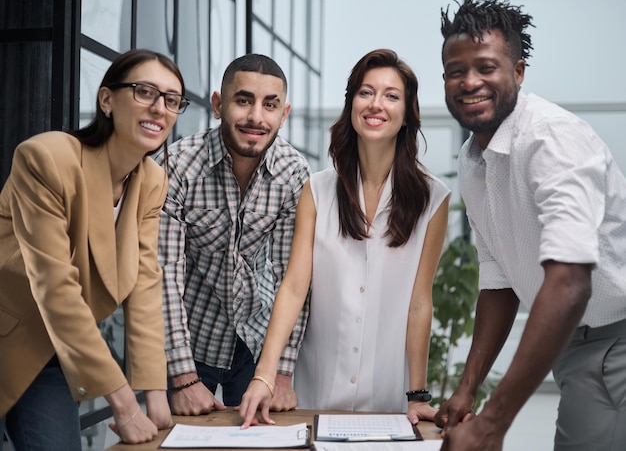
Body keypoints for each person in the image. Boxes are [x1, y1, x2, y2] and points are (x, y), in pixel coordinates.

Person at [435, 0, 626, 450]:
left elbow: (570, 282)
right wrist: (468, 388)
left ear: (518, 72)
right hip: (576, 345)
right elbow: (499, 279)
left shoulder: (551, 140)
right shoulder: (472, 158)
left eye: (486, 67)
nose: (469, 82)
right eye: (454, 71)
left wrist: (492, 424)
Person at [239, 48, 450, 428]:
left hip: (387, 397)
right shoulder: (316, 191)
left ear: (406, 114)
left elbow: (420, 303)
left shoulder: (433, 200)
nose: (376, 104)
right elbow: (293, 287)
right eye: (365, 92)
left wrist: (417, 394)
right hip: (313, 392)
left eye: (392, 95)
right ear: (351, 103)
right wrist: (264, 376)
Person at [0, 48, 189, 450]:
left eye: (172, 100)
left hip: (53, 350)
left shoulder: (152, 180)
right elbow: (55, 287)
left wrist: (154, 394)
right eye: (144, 92)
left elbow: (144, 286)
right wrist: (124, 404)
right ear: (106, 100)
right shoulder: (47, 158)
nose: (159, 109)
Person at [156, 53, 311, 415]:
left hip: (256, 345)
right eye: (243, 101)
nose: (256, 117)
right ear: (217, 104)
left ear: (283, 114)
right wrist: (183, 378)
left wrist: (282, 373)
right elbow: (163, 277)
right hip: (189, 343)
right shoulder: (176, 166)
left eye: (269, 105)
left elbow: (296, 277)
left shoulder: (293, 173)